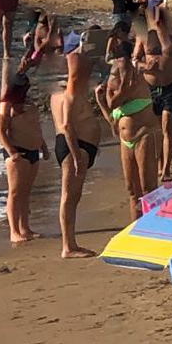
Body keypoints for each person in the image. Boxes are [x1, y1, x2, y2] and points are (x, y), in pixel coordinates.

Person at [50, 33, 101, 259]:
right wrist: (78, 158)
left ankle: (70, 243)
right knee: (69, 197)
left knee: (74, 196)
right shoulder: (68, 93)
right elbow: (67, 126)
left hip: (80, 145)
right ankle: (68, 246)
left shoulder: (72, 89)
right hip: (73, 146)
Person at [96, 46, 161, 220]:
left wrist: (112, 97)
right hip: (125, 139)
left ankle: (153, 231)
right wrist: (101, 102)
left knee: (149, 189)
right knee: (132, 190)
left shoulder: (129, 70)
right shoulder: (113, 73)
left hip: (145, 133)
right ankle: (135, 230)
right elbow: (111, 116)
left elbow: (115, 100)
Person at [0, 61, 47, 244]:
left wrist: (43, 146)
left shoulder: (28, 103)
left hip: (33, 149)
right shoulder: (6, 106)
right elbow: (0, 131)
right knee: (15, 193)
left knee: (26, 192)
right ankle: (14, 230)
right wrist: (12, 152)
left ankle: (26, 228)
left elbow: (35, 127)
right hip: (18, 152)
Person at [135, 9, 172, 181]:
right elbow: (134, 60)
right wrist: (144, 66)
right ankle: (158, 165)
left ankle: (166, 169)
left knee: (167, 127)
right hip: (149, 87)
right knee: (155, 129)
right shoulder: (144, 35)